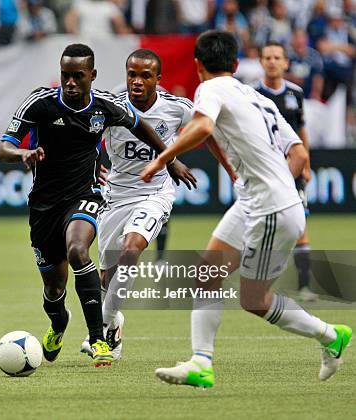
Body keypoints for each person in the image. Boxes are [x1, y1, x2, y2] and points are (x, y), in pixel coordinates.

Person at [143, 31, 351, 388]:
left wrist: (163, 157)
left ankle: (330, 335)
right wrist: (268, 183)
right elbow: (299, 155)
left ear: (197, 64)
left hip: (268, 206)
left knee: (254, 299)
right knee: (207, 274)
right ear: (237, 65)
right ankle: (201, 363)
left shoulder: (209, 89)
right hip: (261, 200)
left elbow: (204, 126)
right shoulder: (258, 98)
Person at [0, 43, 196, 368]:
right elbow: (3, 147)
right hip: (44, 206)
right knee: (53, 288)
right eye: (65, 76)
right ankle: (59, 324)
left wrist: (168, 160)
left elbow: (140, 125)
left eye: (77, 76)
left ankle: (98, 339)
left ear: (92, 75)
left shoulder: (104, 105)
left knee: (78, 251)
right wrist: (23, 154)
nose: (70, 82)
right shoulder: (40, 103)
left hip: (86, 196)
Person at [80, 48, 234, 360]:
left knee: (131, 251)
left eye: (145, 76)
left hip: (155, 193)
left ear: (158, 79)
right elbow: (87, 136)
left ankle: (101, 327)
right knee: (107, 279)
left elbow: (210, 134)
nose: (137, 81)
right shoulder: (111, 104)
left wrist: (231, 169)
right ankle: (115, 324)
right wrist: (92, 165)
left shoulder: (177, 108)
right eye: (132, 74)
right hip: (115, 195)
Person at [256, 41, 316, 303]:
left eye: (276, 57)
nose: (272, 61)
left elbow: (302, 132)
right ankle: (259, 283)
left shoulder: (295, 93)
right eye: (267, 57)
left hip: (293, 169)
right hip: (265, 171)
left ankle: (304, 286)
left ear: (285, 63)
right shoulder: (252, 94)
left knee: (299, 225)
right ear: (261, 62)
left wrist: (307, 165)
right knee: (262, 226)